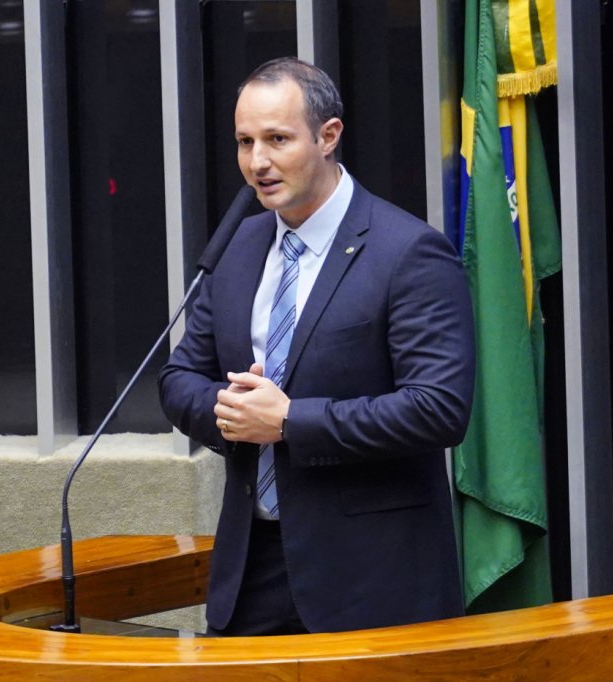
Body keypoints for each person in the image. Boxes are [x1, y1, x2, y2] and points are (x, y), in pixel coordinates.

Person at [158, 57, 475, 636]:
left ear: (329, 137)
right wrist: (232, 415)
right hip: (251, 567)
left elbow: (438, 409)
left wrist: (288, 422)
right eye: (245, 142)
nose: (258, 162)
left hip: (372, 582)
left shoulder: (408, 252)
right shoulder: (236, 245)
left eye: (277, 139)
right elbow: (179, 379)